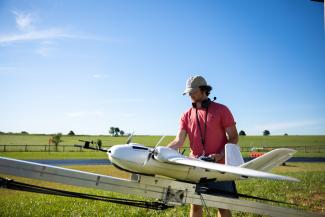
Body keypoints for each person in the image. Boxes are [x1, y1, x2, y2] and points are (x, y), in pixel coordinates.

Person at [167, 75, 239, 217]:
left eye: (193, 91)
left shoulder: (222, 110)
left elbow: (234, 137)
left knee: (222, 207)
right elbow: (178, 141)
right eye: (188, 92)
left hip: (220, 167)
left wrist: (220, 154)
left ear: (203, 89)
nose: (190, 95)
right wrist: (161, 151)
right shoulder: (186, 115)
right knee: (195, 206)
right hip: (195, 167)